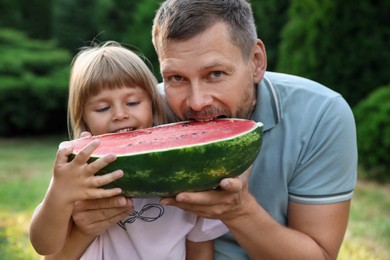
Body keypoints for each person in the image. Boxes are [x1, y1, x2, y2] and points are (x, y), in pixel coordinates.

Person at [52, 0, 358, 259]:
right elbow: (53, 253)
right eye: (176, 78)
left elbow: (319, 254)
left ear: (256, 61)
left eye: (215, 74)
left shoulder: (322, 115)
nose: (197, 103)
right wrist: (82, 228)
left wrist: (239, 212)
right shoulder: (140, 114)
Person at [29, 41, 228, 260]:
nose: (120, 114)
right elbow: (44, 246)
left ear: (153, 107)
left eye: (132, 102)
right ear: (83, 120)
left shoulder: (189, 169)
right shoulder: (79, 172)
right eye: (103, 108)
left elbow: (200, 250)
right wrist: (59, 194)